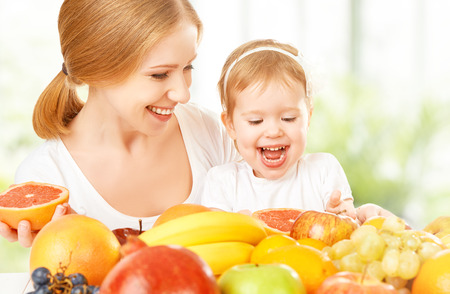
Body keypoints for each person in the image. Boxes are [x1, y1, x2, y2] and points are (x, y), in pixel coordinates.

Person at [0, 0, 239, 247]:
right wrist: (75, 239)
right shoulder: (48, 175)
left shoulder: (210, 132)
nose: (183, 94)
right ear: (97, 70)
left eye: (188, 66)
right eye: (159, 74)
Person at [200, 39, 357, 218]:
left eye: (288, 118)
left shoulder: (323, 171)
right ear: (231, 125)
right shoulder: (223, 182)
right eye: (256, 121)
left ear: (308, 118)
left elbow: (348, 222)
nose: (274, 131)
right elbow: (215, 238)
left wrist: (341, 214)